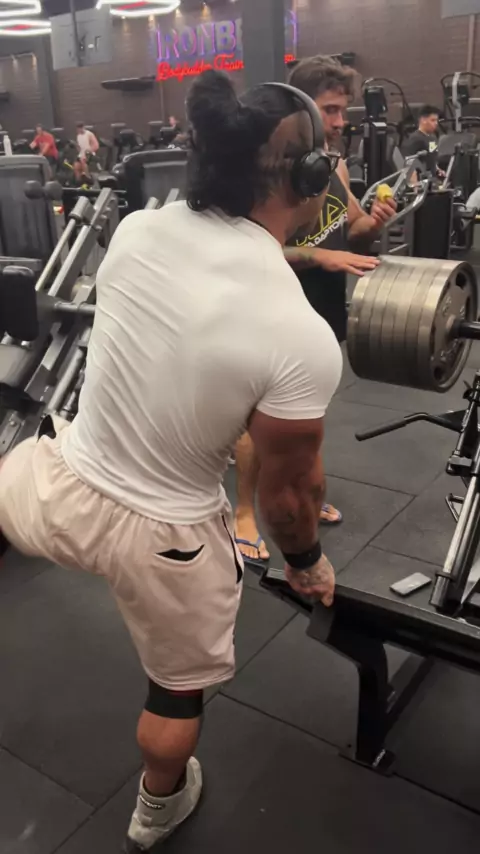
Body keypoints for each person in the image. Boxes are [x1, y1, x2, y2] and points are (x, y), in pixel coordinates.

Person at [0, 70, 342, 852]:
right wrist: (309, 565)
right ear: (310, 176)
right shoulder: (299, 336)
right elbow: (288, 499)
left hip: (58, 482)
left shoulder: (137, 231)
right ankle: (156, 810)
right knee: (175, 695)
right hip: (169, 542)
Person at [234, 55, 397, 565]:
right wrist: (318, 255)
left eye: (343, 110)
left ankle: (299, 489)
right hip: (273, 303)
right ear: (302, 109)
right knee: (258, 417)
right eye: (330, 110)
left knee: (307, 413)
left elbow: (354, 229)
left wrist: (376, 221)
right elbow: (244, 250)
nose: (341, 121)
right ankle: (243, 513)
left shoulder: (334, 167)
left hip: (322, 305)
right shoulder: (267, 174)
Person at [402, 105, 444, 178]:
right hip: (422, 179)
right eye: (433, 120)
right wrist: (415, 184)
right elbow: (409, 164)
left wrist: (438, 170)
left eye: (437, 120)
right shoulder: (415, 138)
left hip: (433, 179)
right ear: (423, 120)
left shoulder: (432, 137)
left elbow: (432, 158)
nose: (436, 123)